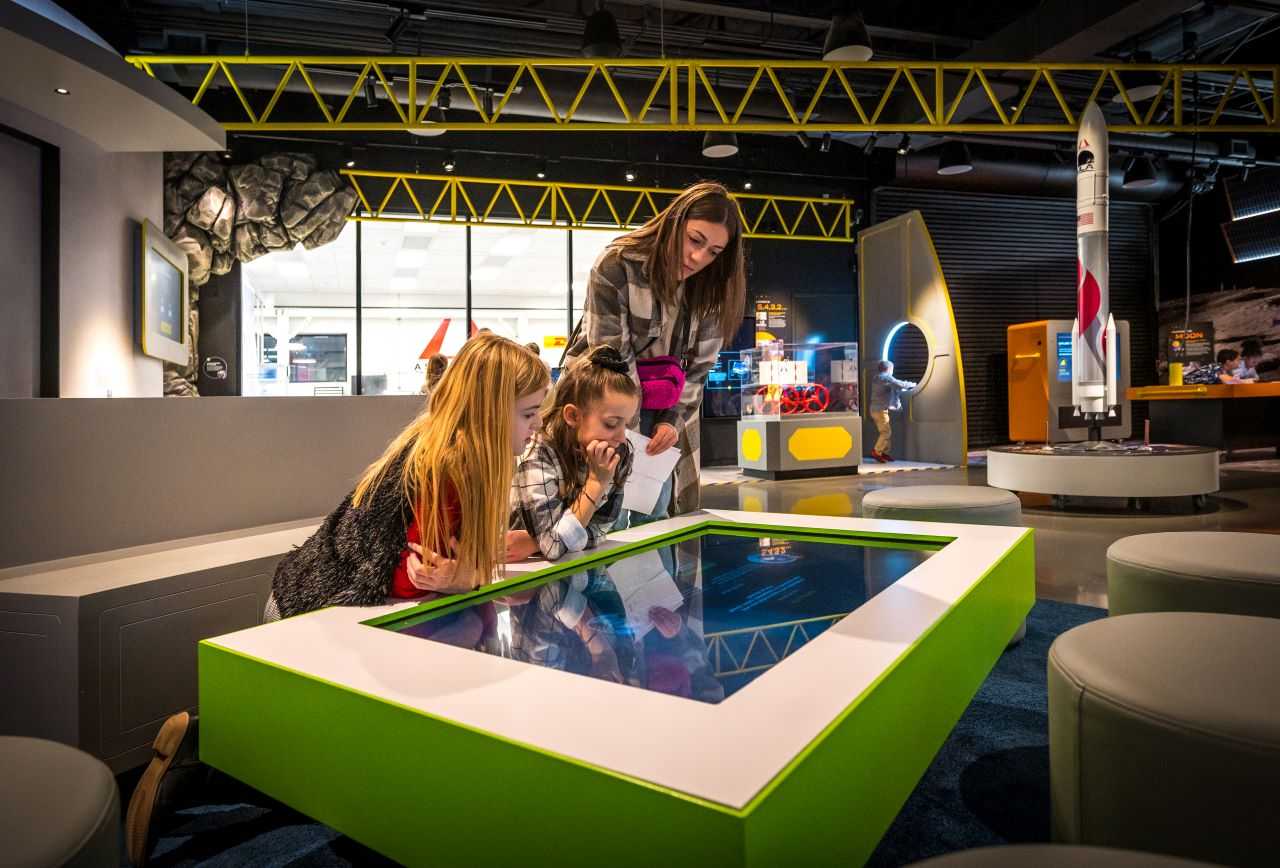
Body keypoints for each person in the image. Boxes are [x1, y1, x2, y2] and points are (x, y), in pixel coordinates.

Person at [268, 333, 550, 619]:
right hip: (300, 604)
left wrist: (467, 574)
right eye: (529, 415)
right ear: (490, 414)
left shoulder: (465, 459)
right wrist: (466, 578)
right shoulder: (447, 466)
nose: (538, 423)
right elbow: (414, 576)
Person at [564, 181, 747, 523]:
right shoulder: (617, 264)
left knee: (657, 512)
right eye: (695, 240)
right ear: (675, 221)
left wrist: (672, 421)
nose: (699, 258)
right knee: (604, 515)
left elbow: (700, 368)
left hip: (665, 405)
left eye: (714, 252)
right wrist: (624, 429)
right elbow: (610, 357)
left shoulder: (712, 287)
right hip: (606, 403)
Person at [509, 345, 639, 561]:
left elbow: (600, 530)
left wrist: (535, 543)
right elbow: (552, 548)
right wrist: (596, 483)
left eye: (626, 423)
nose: (621, 437)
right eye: (611, 423)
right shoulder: (539, 453)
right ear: (573, 416)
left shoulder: (619, 452)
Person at [868, 359, 918, 462]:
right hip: (880, 410)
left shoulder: (877, 377)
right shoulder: (885, 377)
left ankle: (884, 453)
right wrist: (913, 384)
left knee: (887, 432)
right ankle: (877, 451)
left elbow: (892, 386)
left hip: (876, 409)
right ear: (889, 369)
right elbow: (900, 384)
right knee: (886, 432)